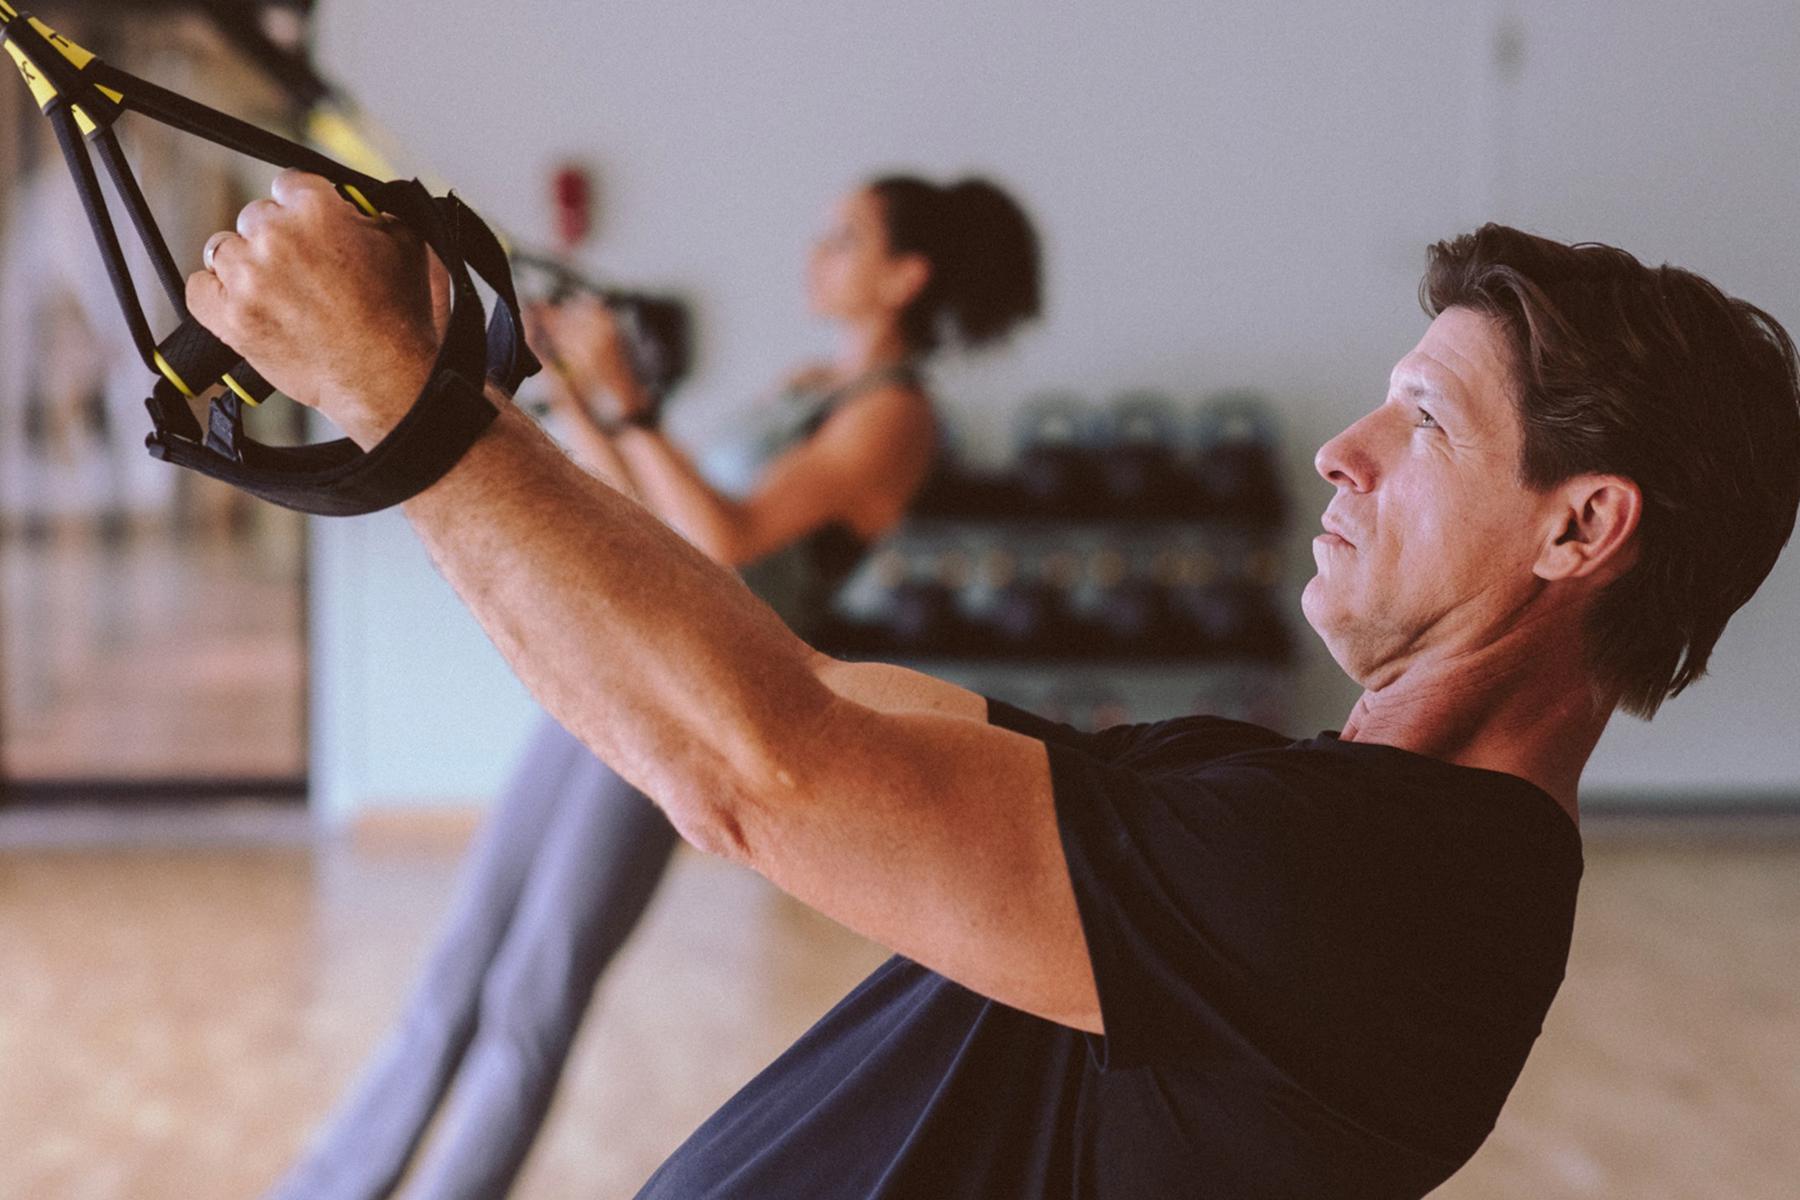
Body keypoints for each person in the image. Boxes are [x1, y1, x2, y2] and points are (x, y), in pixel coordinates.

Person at [199, 176, 1800, 1198]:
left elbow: (762, 768)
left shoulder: (1384, 891)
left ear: (1583, 528)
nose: (1342, 448)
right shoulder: (1305, 804)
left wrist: (397, 402)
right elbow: (819, 697)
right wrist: (454, 415)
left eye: (1427, 424)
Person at [264, 175, 1043, 1200]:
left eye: (844, 238)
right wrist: (579, 393)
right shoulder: (811, 383)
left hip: (696, 702)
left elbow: (727, 541)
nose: (817, 251)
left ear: (907, 277)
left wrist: (630, 403)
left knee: (537, 995)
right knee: (462, 963)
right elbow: (646, 516)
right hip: (614, 659)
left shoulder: (895, 418)